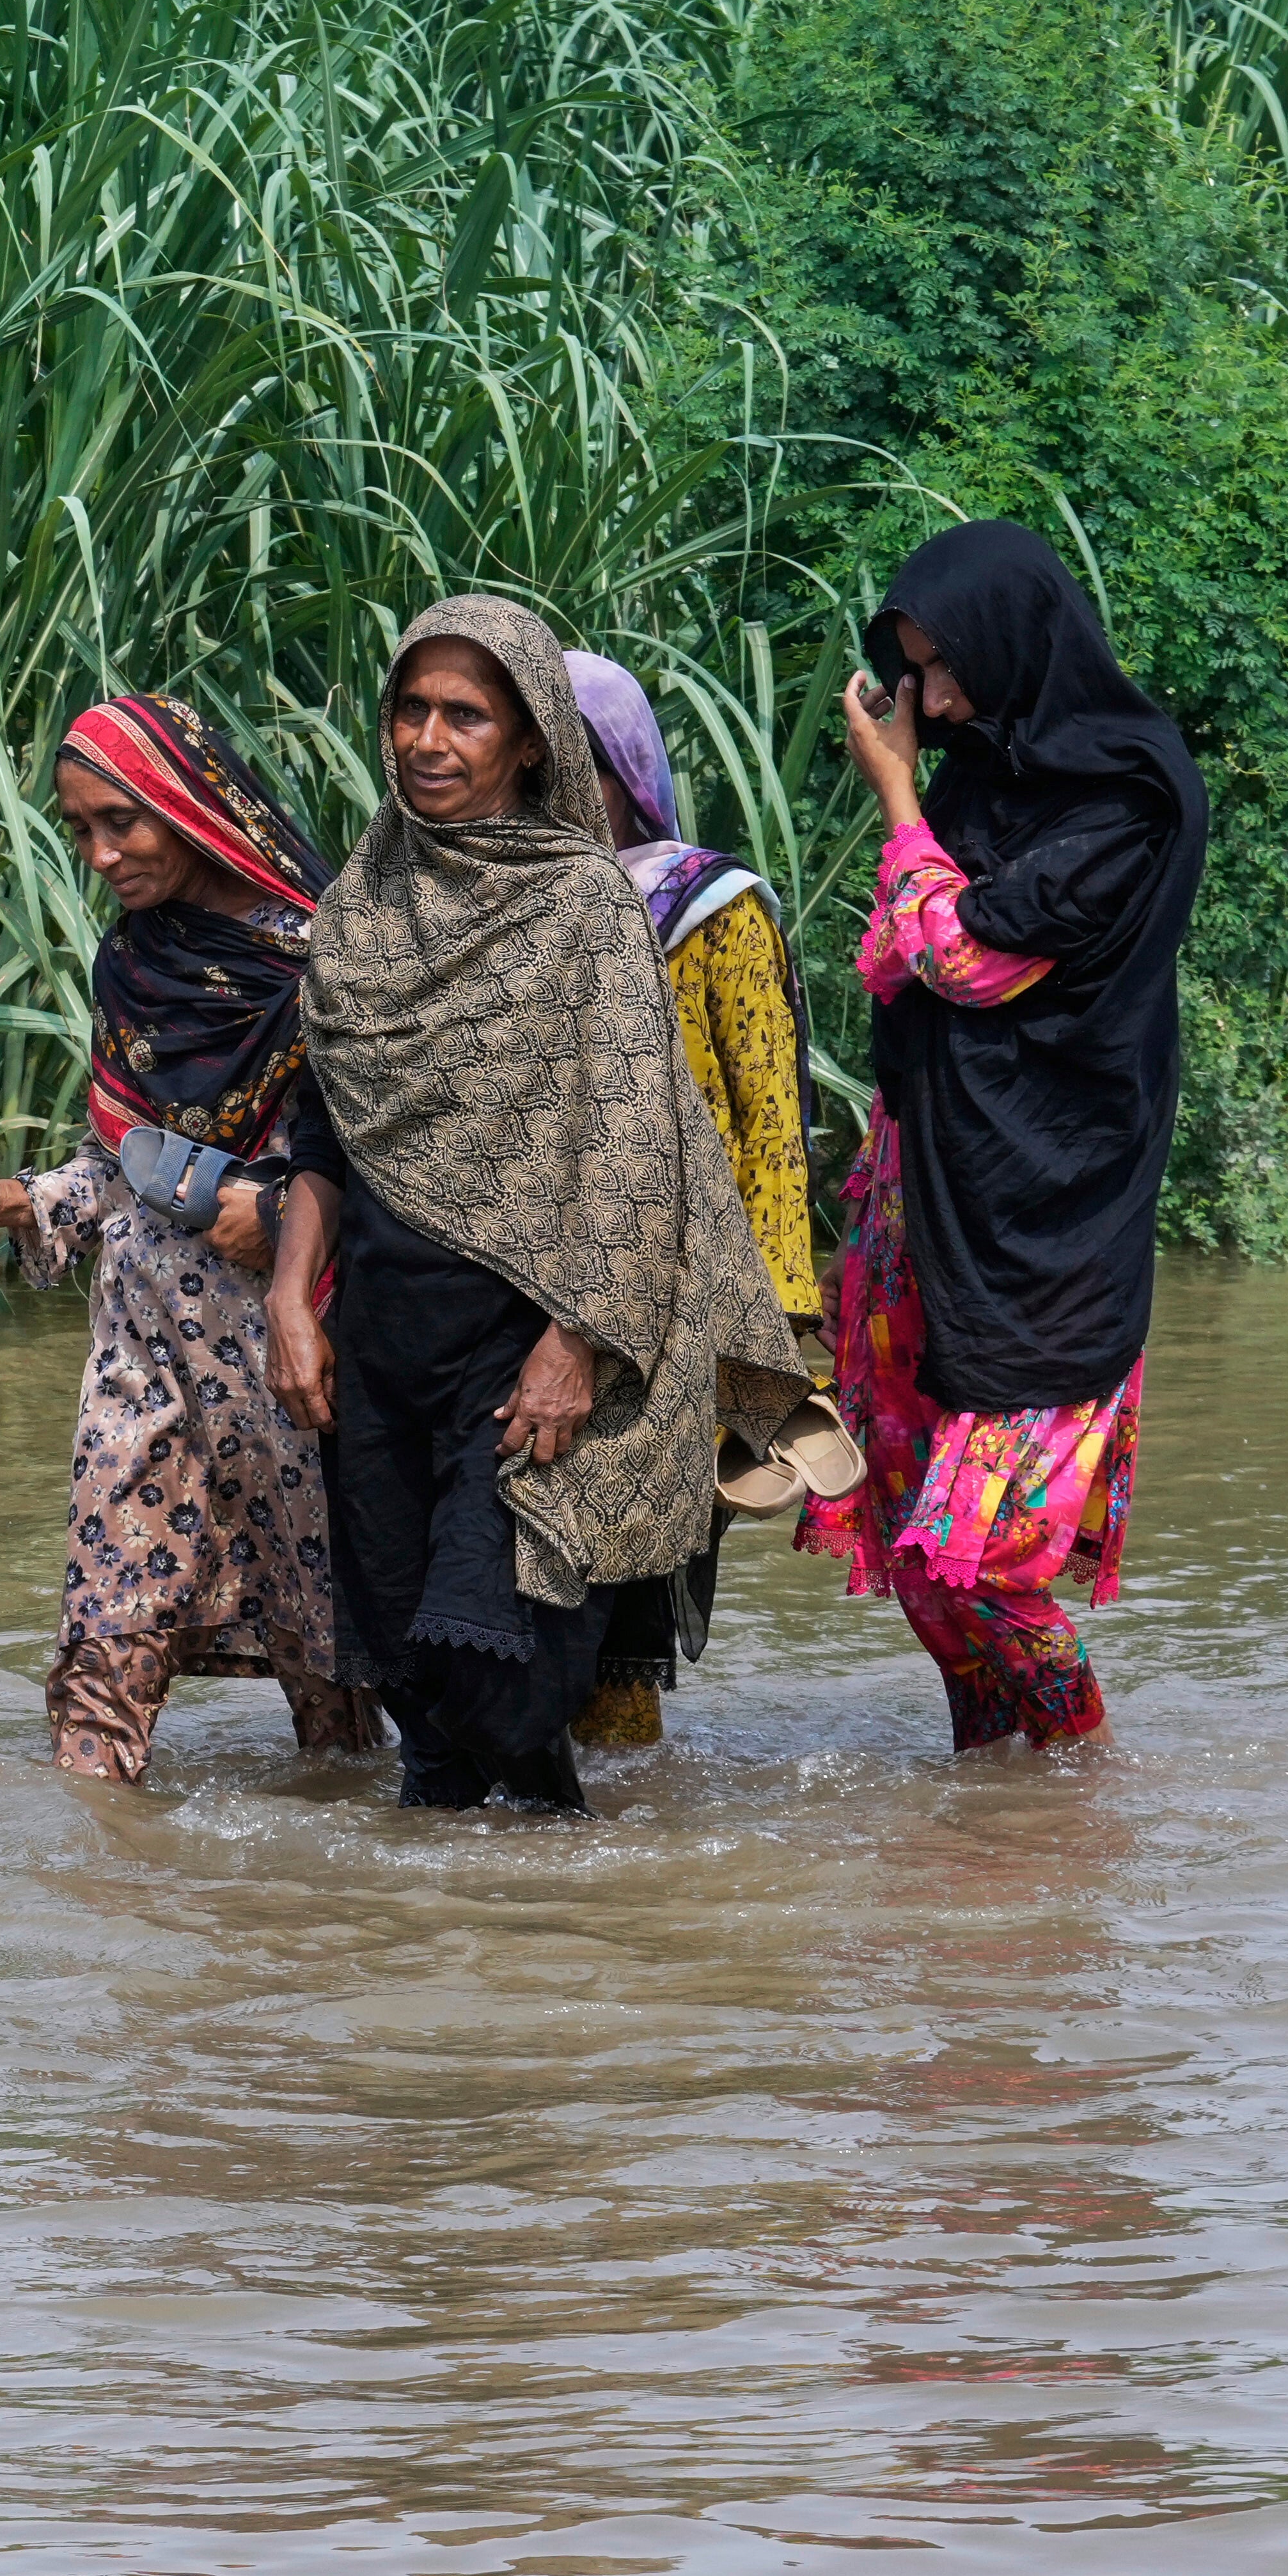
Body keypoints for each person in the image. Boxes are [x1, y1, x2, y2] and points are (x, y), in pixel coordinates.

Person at [264, 598, 809, 1814]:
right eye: (410, 708)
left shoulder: (580, 908)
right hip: (381, 1355)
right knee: (417, 1693)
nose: (428, 739)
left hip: (524, 1353)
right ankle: (492, 1953)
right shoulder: (360, 903)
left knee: (492, 1664)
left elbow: (636, 1152)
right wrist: (290, 1298)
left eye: (466, 716)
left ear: (528, 744)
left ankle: (554, 1934)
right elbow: (324, 1137)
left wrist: (576, 1346)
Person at [0, 691, 373, 1775]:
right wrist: (16, 1199)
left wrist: (279, 1216)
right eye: (78, 831)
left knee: (329, 1667)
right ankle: (89, 1901)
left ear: (189, 804)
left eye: (120, 821)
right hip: (141, 1348)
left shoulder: (331, 964)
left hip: (291, 1349)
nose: (101, 853)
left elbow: (393, 1157)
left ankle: (352, 1918)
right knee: (106, 1638)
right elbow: (126, 1164)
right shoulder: (134, 965)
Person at [800, 520, 1200, 1749]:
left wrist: (895, 795)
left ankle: (1086, 1782)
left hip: (1051, 1215)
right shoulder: (981, 781)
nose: (929, 697)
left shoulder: (1126, 796)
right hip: (930, 1201)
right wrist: (924, 830)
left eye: (944, 666)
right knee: (922, 1564)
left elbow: (955, 960)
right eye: (911, 672)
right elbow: (885, 958)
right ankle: (990, 1809)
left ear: (1016, 644)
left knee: (980, 1565)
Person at [558, 649, 827, 1745]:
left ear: (624, 773)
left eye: (576, 767)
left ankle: (627, 1861)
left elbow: (768, 1124)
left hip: (673, 1300)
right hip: (525, 1294)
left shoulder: (708, 909)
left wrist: (774, 1328)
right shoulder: (490, 916)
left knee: (624, 1612)